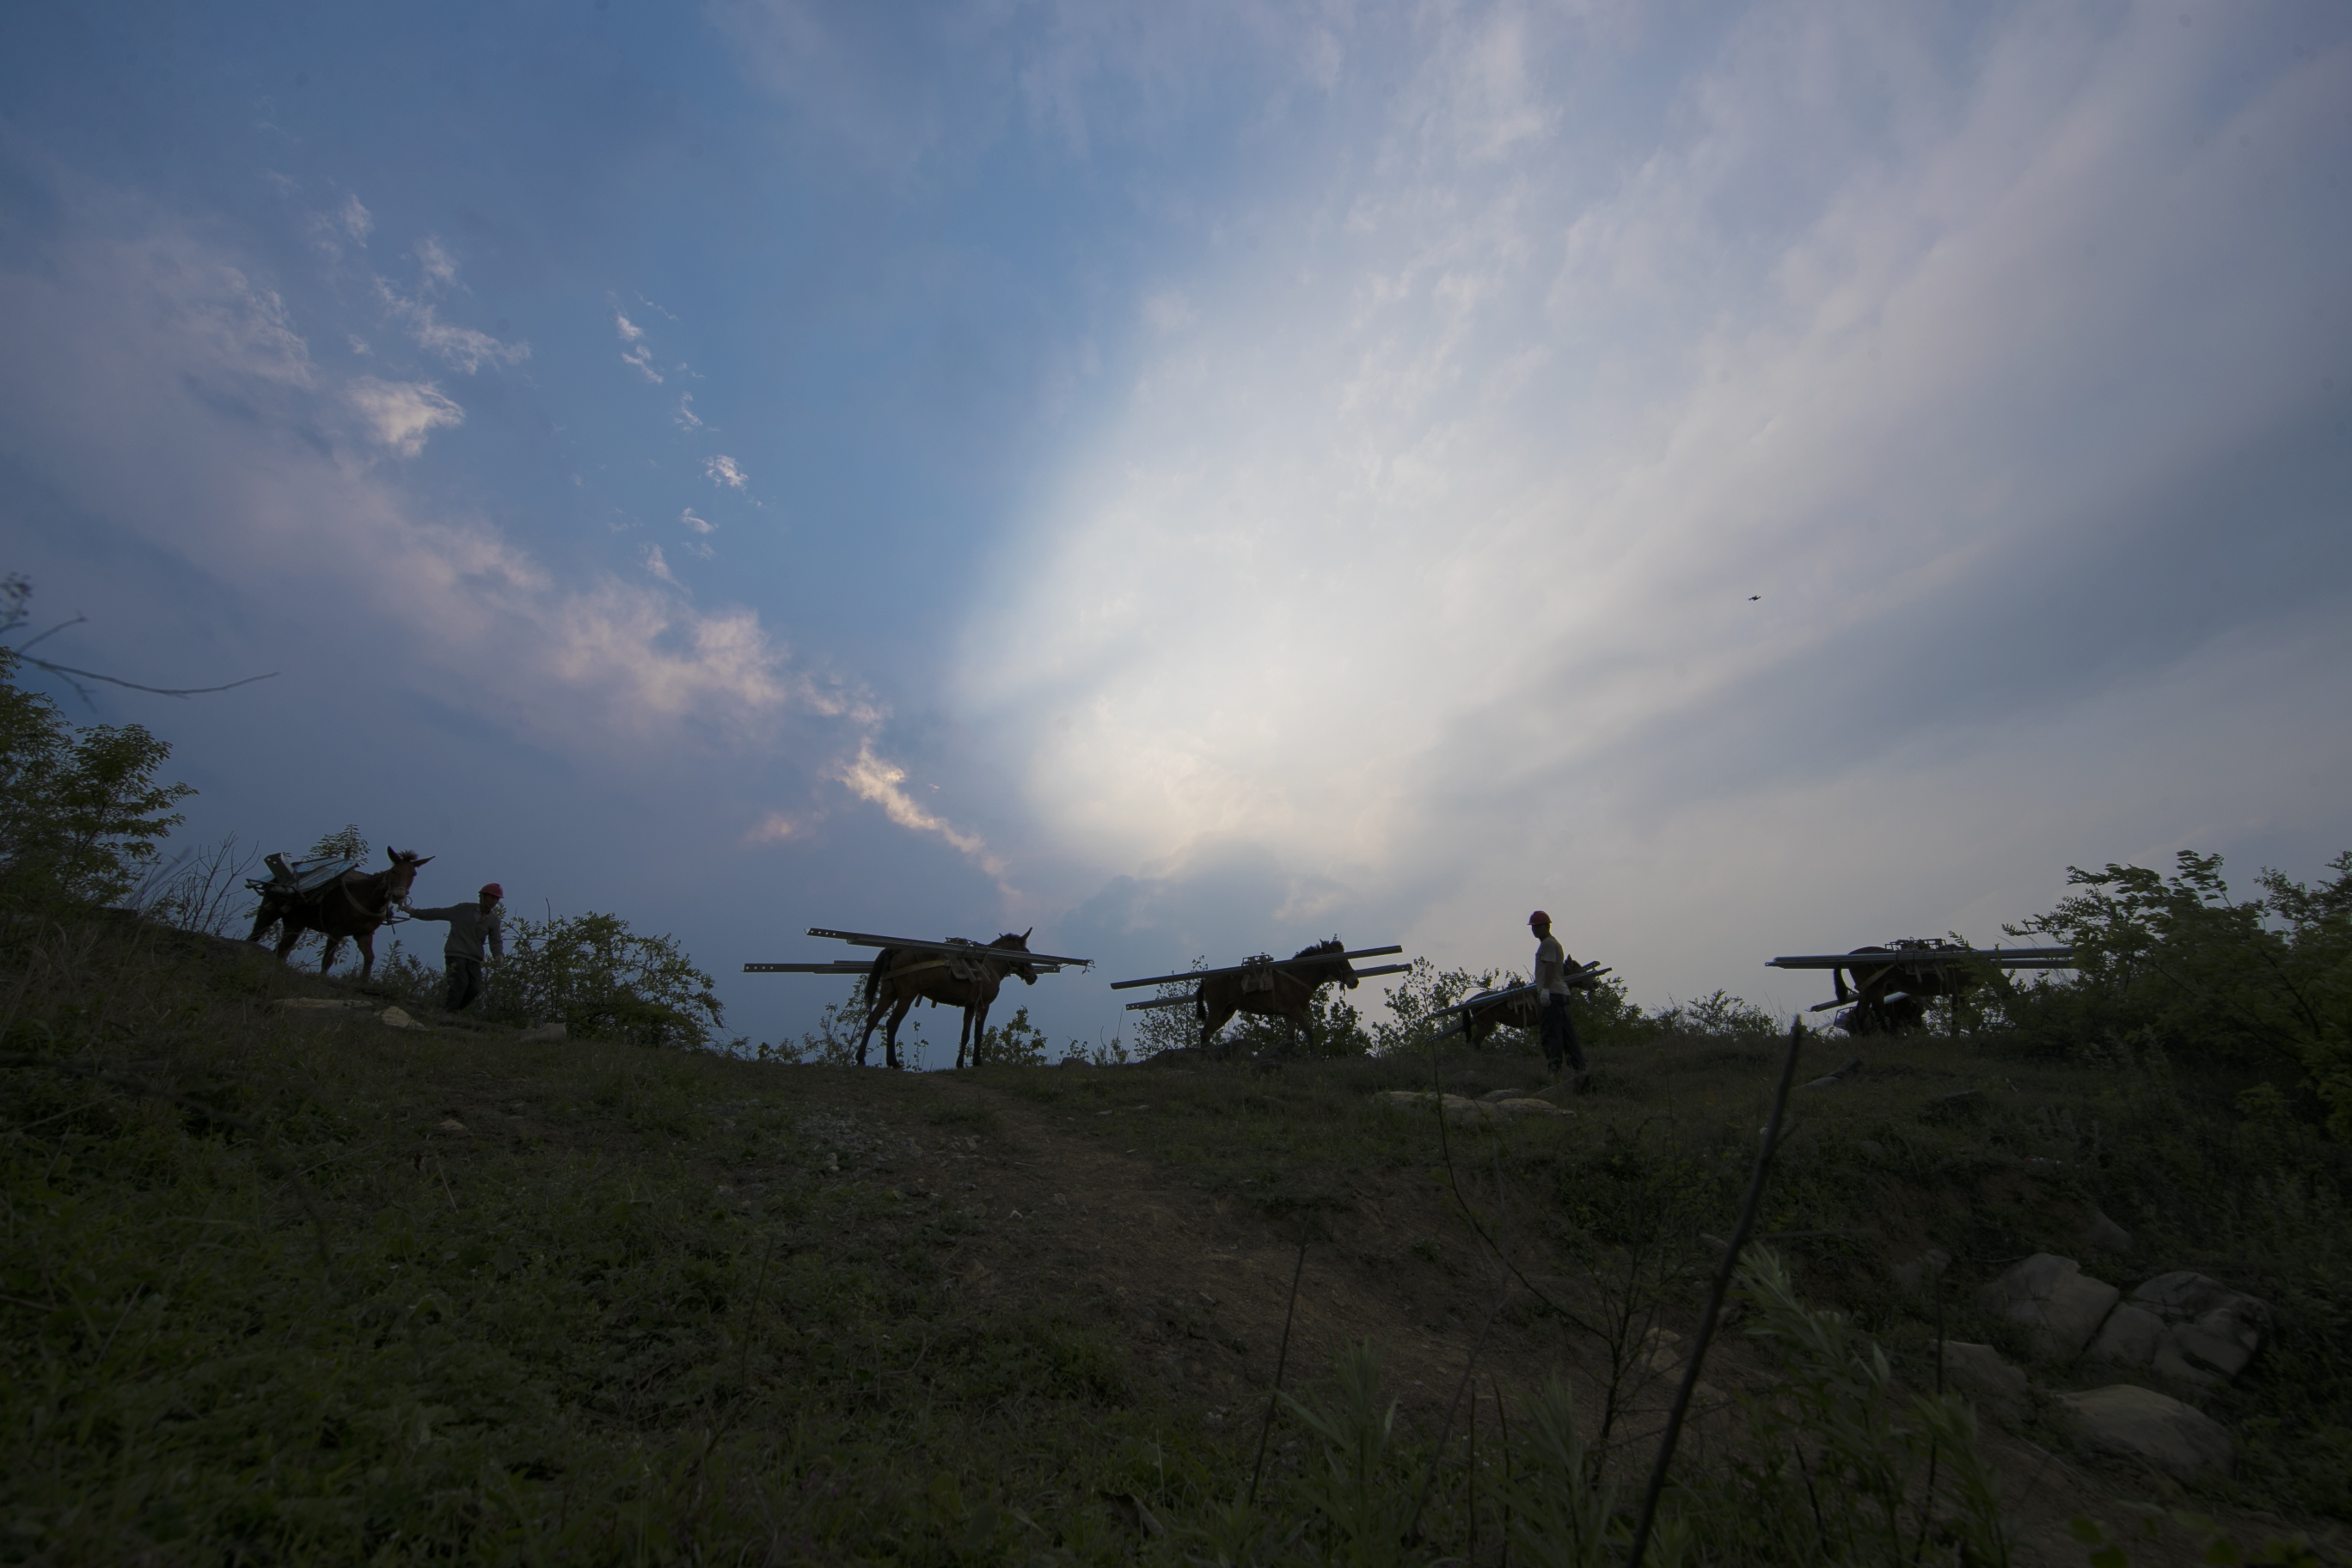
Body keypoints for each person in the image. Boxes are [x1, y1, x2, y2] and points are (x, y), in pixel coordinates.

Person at [404, 882, 506, 1014]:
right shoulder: (463, 909)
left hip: (474, 958)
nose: (493, 901)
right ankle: (447, 1014)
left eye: (496, 899)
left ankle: (451, 1013)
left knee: (475, 988)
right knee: (460, 984)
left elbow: (496, 940)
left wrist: (498, 955)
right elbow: (437, 913)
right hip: (456, 953)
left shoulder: (494, 920)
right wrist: (413, 912)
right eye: (491, 897)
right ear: (482, 896)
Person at [1528, 909, 1586, 1081]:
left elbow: (1551, 967)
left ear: (1547, 926)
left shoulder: (1547, 944)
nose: (1534, 930)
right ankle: (1579, 1069)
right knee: (1567, 1035)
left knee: (1550, 1034)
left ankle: (1554, 1072)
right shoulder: (1553, 943)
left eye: (1538, 927)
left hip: (1552, 994)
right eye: (1533, 927)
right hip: (1561, 993)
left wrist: (1545, 990)